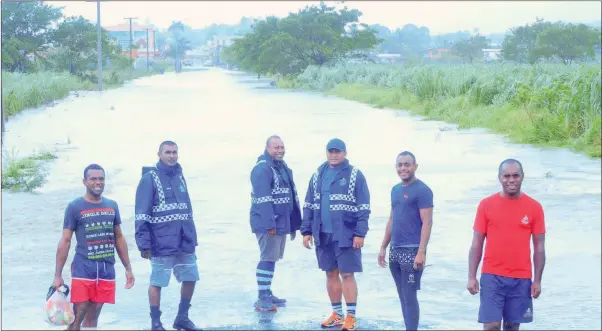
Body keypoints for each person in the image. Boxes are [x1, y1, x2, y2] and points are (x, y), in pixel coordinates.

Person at [53, 164, 135, 331]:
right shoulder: (74, 206)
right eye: (93, 179)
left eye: (101, 179)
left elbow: (118, 236)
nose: (98, 182)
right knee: (77, 315)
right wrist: (58, 275)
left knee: (94, 317)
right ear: (85, 182)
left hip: (106, 268)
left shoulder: (112, 205)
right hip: (84, 267)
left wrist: (128, 268)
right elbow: (66, 240)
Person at [467, 159, 546, 331]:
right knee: (492, 326)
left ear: (522, 177)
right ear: (499, 178)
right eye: (507, 176)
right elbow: (476, 244)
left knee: (512, 326)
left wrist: (537, 280)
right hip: (492, 276)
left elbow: (539, 248)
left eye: (515, 176)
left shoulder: (534, 207)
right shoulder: (486, 205)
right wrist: (471, 276)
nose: (511, 180)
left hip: (521, 278)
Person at [301, 138, 371, 331]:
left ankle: (351, 316)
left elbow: (364, 207)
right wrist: (306, 231)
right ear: (326, 153)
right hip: (323, 234)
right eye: (330, 151)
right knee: (330, 273)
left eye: (337, 151)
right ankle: (337, 314)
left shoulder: (355, 175)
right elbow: (308, 204)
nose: (333, 155)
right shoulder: (317, 174)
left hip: (347, 234)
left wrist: (360, 233)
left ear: (345, 153)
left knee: (347, 274)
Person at [135, 141, 201, 331]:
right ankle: (156, 323)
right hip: (161, 242)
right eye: (168, 152)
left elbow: (188, 210)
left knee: (191, 278)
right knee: (157, 282)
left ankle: (182, 318)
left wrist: (192, 237)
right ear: (159, 154)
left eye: (174, 152)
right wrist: (143, 244)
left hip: (184, 241)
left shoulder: (180, 176)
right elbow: (141, 214)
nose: (172, 156)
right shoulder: (149, 178)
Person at [377, 151, 434, 331]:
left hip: (412, 251)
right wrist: (383, 247)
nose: (403, 168)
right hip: (395, 249)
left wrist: (421, 252)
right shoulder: (395, 190)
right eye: (400, 165)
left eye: (407, 164)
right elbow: (392, 219)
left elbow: (427, 222)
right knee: (402, 295)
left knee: (409, 296)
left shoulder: (423, 190)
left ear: (415, 166)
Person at [249, 135, 302, 311]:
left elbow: (290, 196)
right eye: (276, 148)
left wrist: (293, 223)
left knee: (272, 258)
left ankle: (267, 292)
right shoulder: (262, 169)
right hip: (269, 224)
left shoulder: (281, 167)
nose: (280, 150)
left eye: (281, 147)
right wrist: (269, 224)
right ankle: (262, 297)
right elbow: (263, 199)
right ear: (267, 148)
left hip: (280, 222)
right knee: (267, 257)